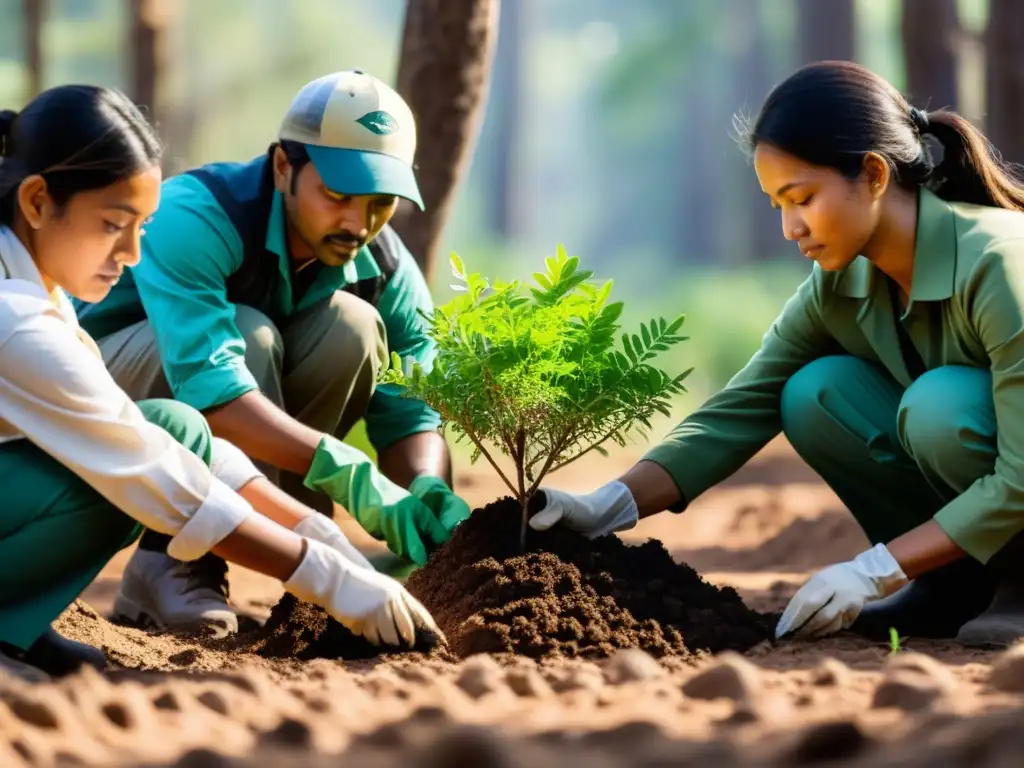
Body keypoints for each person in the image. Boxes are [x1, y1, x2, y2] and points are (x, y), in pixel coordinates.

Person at [528, 60, 1024, 647]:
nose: (791, 227)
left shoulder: (999, 264)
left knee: (937, 407)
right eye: (777, 206)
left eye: (803, 198)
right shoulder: (842, 284)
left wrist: (876, 570)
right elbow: (742, 405)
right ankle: (951, 586)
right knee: (814, 394)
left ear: (872, 174)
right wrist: (606, 507)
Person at [0, 84, 441, 678]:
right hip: (131, 381)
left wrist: (322, 534)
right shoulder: (16, 318)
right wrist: (325, 573)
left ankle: (19, 621)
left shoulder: (33, 280)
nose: (133, 252)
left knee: (173, 425)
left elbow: (169, 443)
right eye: (113, 225)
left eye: (141, 227)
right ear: (35, 202)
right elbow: (158, 472)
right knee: (137, 461)